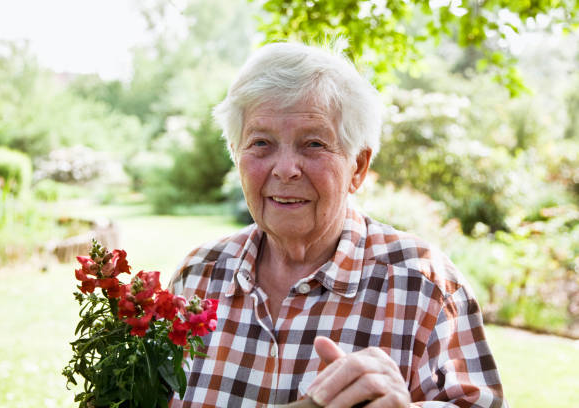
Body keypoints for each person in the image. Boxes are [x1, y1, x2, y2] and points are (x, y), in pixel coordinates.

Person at [168, 42, 506, 407]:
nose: (285, 169)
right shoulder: (198, 277)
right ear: (236, 155)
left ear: (357, 167)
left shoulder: (425, 287)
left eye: (313, 144)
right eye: (261, 143)